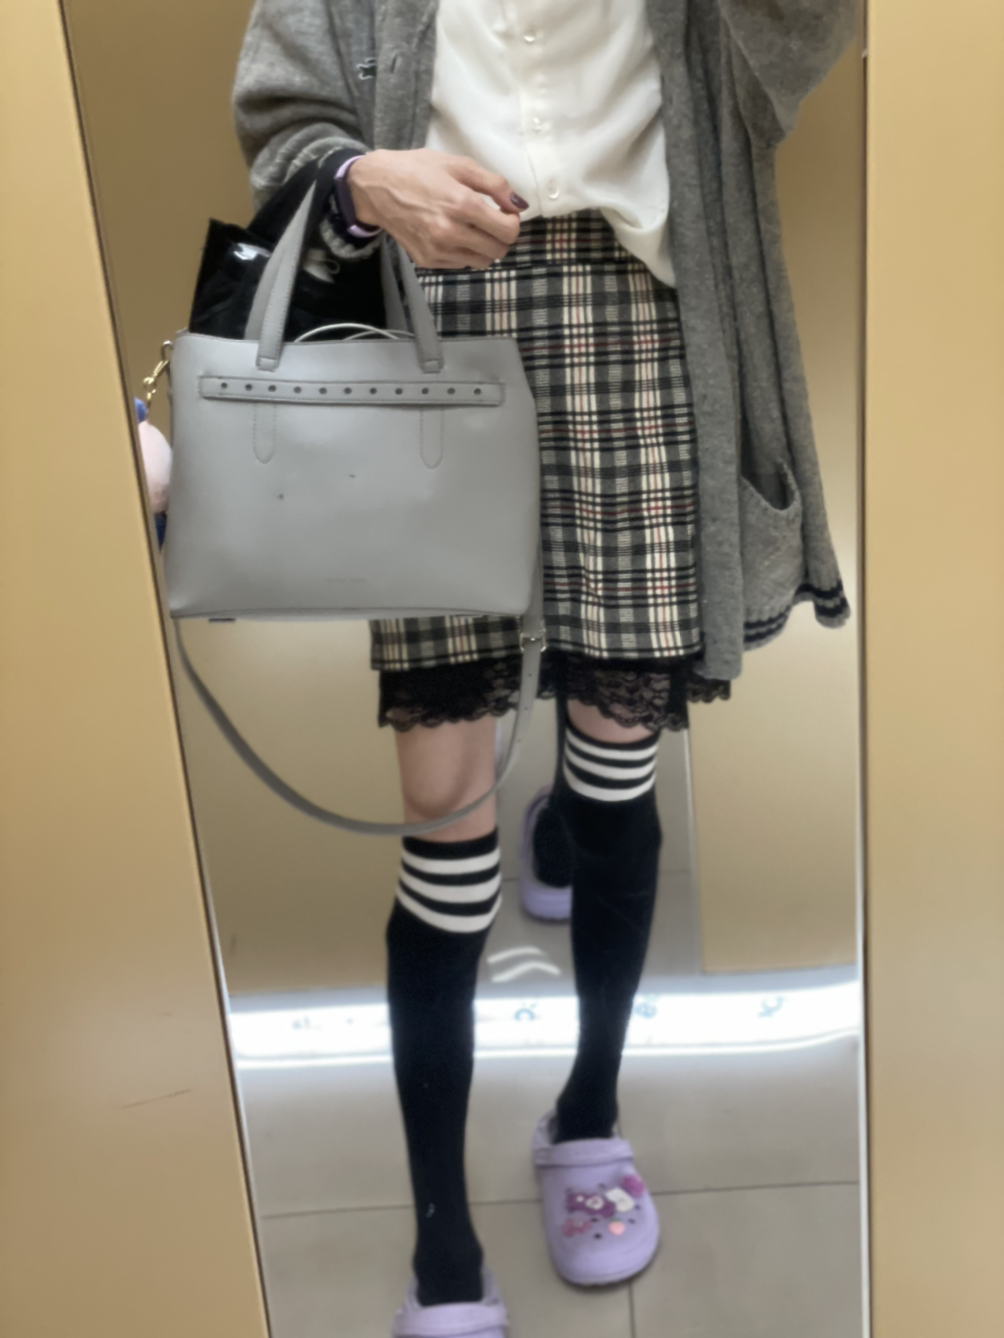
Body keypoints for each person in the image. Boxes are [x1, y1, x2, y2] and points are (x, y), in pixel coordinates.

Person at [233, 1, 854, 1332]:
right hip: (422, 334)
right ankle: (443, 1235)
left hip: (643, 316)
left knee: (617, 765)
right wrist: (362, 178)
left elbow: (800, 41)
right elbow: (285, 121)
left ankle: (589, 1113)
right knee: (440, 815)